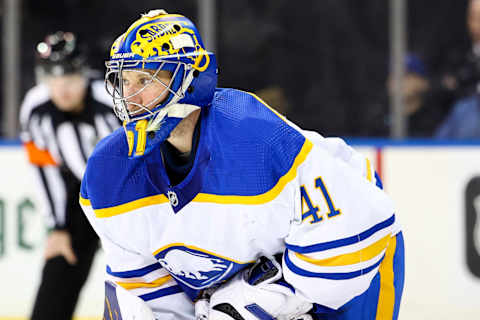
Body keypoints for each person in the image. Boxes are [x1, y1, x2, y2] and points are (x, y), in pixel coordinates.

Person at [80, 9, 404, 320]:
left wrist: (264, 299)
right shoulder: (109, 174)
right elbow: (149, 290)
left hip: (354, 251)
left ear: (190, 80)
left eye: (146, 79)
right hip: (251, 274)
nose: (130, 97)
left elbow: (353, 232)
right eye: (124, 81)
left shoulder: (256, 141)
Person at [19, 31, 120, 319]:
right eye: (53, 78)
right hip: (80, 197)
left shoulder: (111, 101)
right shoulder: (35, 108)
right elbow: (44, 170)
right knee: (59, 267)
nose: (61, 88)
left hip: (133, 197)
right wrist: (58, 228)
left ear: (83, 73)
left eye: (69, 77)